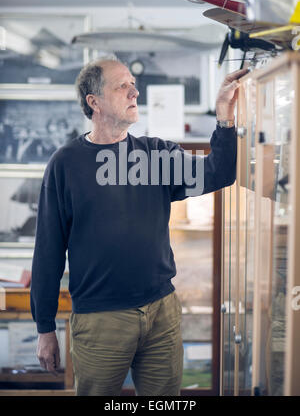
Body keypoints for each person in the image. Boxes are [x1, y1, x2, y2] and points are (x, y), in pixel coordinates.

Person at [30, 58, 248, 396]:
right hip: (101, 319)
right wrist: (44, 328)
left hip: (162, 311)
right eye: (122, 85)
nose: (135, 91)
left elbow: (220, 172)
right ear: (94, 102)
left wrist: (224, 114)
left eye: (133, 83)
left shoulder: (155, 155)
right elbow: (48, 251)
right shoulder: (66, 163)